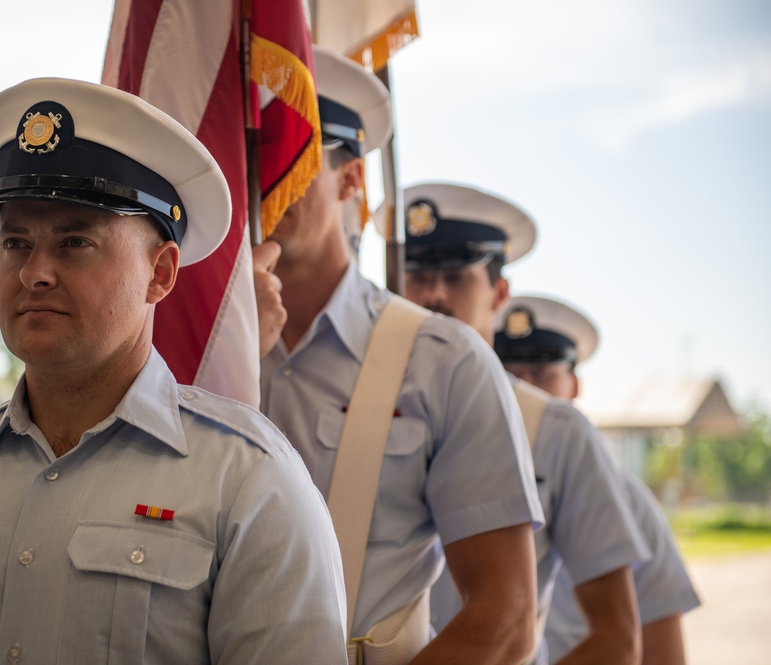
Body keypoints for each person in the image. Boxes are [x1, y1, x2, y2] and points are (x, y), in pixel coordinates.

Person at [0, 77, 349, 665]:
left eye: (75, 242)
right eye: (15, 243)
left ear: (161, 273)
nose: (34, 273)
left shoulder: (249, 482)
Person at [253, 46, 545, 664]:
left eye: (291, 155)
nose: (265, 178)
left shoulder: (444, 361)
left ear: (352, 178)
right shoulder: (184, 351)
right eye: (250, 156)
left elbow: (507, 617)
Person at [400, 182, 652, 664]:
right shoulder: (353, 397)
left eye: (455, 276)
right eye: (418, 274)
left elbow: (617, 638)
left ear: (499, 292)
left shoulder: (555, 429)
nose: (433, 293)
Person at [495, 295, 702, 665]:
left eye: (541, 374)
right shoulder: (457, 486)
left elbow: (662, 650)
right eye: (508, 375)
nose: (524, 393)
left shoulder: (629, 504)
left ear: (574, 386)